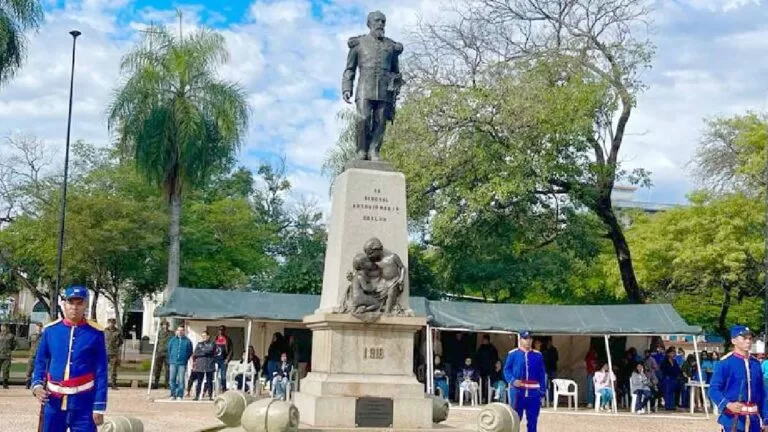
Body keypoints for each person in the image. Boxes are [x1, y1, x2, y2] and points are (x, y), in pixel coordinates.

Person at [31, 285, 108, 431]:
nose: (75, 307)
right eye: (71, 302)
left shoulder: (96, 333)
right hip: (53, 401)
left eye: (79, 303)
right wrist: (37, 385)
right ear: (64, 304)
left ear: (85, 304)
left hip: (84, 401)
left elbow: (101, 371)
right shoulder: (51, 331)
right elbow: (41, 361)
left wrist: (99, 406)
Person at [341, 10, 404, 161]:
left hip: (384, 90)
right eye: (377, 21)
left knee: (380, 120)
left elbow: (395, 71)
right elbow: (350, 69)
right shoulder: (358, 44)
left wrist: (395, 84)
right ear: (369, 23)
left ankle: (374, 150)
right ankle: (361, 150)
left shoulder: (390, 46)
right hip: (364, 87)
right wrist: (346, 88)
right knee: (363, 118)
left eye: (383, 21)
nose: (381, 24)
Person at [709, 325, 768, 432]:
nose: (748, 341)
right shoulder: (725, 363)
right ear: (733, 341)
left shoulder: (756, 364)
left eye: (750, 338)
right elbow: (713, 389)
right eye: (744, 338)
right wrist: (727, 404)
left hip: (754, 421)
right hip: (732, 419)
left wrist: (765, 419)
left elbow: (762, 393)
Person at [504, 330, 545, 432]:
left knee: (532, 421)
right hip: (518, 392)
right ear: (520, 340)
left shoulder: (538, 355)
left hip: (533, 393)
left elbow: (542, 374)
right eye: (525, 338)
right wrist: (512, 380)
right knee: (515, 420)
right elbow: (506, 370)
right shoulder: (513, 354)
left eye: (530, 339)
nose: (528, 341)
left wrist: (542, 392)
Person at [186, 330, 215, 400]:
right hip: (200, 365)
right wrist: (203, 352)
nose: (204, 337)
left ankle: (211, 396)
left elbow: (210, 350)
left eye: (205, 336)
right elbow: (196, 353)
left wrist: (202, 351)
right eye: (203, 336)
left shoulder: (212, 343)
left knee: (209, 381)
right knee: (199, 381)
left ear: (208, 336)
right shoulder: (199, 344)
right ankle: (197, 396)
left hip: (209, 365)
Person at [167, 324, 193, 400]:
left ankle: (179, 395)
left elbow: (190, 351)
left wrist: (185, 359)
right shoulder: (172, 340)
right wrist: (171, 358)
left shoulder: (187, 341)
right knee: (172, 379)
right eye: (179, 330)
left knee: (181, 379)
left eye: (182, 330)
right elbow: (169, 349)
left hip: (182, 363)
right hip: (173, 362)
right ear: (176, 331)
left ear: (184, 332)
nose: (180, 332)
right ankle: (172, 394)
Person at [476, 334, 499, 403]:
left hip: (490, 370)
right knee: (481, 384)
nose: (484, 341)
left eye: (485, 340)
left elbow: (495, 359)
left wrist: (492, 368)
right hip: (482, 370)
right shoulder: (481, 348)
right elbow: (478, 358)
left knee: (488, 384)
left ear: (488, 340)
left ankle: (487, 399)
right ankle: (482, 398)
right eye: (483, 340)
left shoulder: (492, 349)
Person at [153, 320, 173, 389]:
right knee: (157, 369)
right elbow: (156, 343)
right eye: (164, 325)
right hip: (159, 353)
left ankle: (167, 384)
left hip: (168, 353)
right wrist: (155, 352)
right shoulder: (159, 333)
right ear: (161, 326)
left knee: (168, 369)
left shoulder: (171, 333)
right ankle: (156, 383)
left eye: (166, 325)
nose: (165, 326)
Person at [104, 318, 123, 390]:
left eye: (112, 323)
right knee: (103, 369)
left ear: (114, 324)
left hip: (114, 353)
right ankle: (103, 384)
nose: (111, 324)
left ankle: (113, 384)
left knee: (113, 370)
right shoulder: (104, 331)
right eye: (109, 323)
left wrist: (116, 346)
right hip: (105, 352)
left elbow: (121, 341)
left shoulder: (117, 332)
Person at [214, 326, 233, 391]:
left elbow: (231, 350)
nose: (221, 331)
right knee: (214, 375)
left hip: (223, 360)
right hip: (216, 360)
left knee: (223, 375)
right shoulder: (215, 338)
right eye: (219, 330)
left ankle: (223, 388)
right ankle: (213, 389)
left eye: (222, 330)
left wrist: (228, 359)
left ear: (224, 331)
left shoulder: (227, 339)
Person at [26, 322, 43, 389]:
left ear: (41, 327)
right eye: (37, 326)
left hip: (40, 355)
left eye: (40, 326)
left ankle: (38, 384)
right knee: (29, 369)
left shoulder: (44, 335)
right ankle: (27, 383)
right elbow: (29, 344)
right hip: (32, 354)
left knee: (39, 369)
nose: (38, 328)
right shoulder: (32, 335)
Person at [0, 323, 15, 389]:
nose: (2, 328)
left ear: (6, 328)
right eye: (1, 326)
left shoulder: (11, 336)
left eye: (4, 327)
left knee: (6, 370)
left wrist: (10, 351)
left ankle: (5, 383)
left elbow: (14, 345)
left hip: (7, 355)